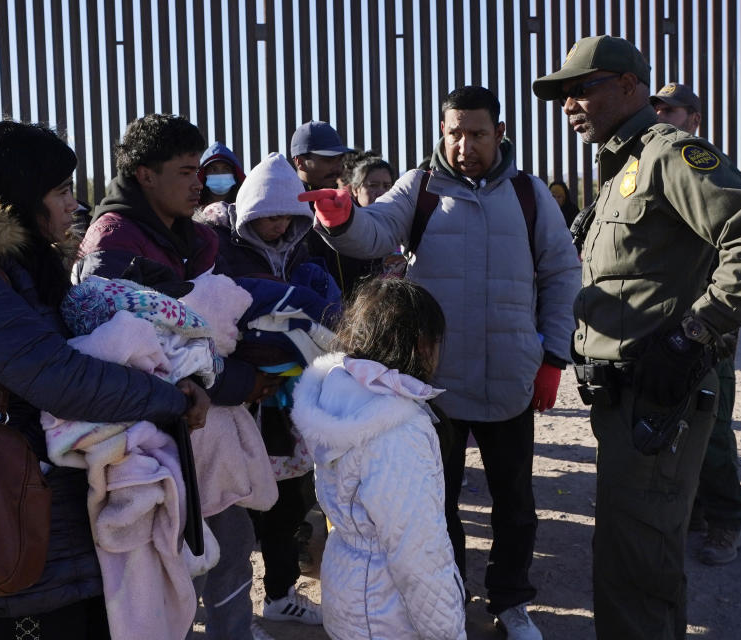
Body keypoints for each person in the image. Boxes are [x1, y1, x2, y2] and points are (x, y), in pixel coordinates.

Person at [0, 120, 209, 640]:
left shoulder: (18, 268)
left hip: (51, 521)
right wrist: (167, 397)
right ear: (20, 194)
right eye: (62, 191)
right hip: (13, 520)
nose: (75, 204)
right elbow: (58, 379)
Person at [532, 35, 741, 639]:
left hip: (657, 399)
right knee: (642, 559)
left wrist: (693, 336)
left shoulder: (669, 155)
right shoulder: (622, 165)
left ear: (629, 86)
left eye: (582, 88)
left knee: (634, 569)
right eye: (563, 94)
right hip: (625, 401)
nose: (569, 103)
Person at [302, 85, 581, 640]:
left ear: (499, 134)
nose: (463, 144)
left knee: (514, 503)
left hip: (509, 376)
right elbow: (376, 230)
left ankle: (511, 601)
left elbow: (560, 273)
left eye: (476, 133)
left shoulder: (528, 195)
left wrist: (552, 356)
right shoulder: (421, 187)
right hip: (434, 387)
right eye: (454, 132)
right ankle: (450, 590)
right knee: (437, 501)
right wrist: (343, 220)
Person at [74, 114, 270, 640]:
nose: (198, 183)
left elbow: (216, 321)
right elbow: (122, 344)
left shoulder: (196, 235)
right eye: (185, 172)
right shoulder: (111, 240)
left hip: (207, 429)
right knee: (166, 565)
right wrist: (223, 379)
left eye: (197, 170)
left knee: (229, 549)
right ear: (144, 174)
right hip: (152, 441)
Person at [291, 277, 466, 640]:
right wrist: (449, 632)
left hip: (350, 590)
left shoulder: (342, 395)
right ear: (420, 345)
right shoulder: (396, 430)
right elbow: (418, 554)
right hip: (390, 612)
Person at [214, 151, 335, 628]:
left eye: (287, 215)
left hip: (287, 403)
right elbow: (231, 308)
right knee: (236, 515)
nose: (278, 224)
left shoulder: (304, 251)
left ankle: (281, 594)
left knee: (287, 505)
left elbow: (322, 309)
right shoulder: (223, 250)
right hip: (242, 399)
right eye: (267, 216)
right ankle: (233, 614)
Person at [652, 82, 741, 565]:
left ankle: (725, 521)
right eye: (657, 109)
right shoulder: (648, 168)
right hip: (664, 330)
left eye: (672, 110)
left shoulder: (710, 170)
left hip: (707, 330)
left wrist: (718, 322)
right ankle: (692, 512)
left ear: (695, 119)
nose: (662, 116)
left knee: (713, 431)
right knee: (672, 427)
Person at [291, 120, 377, 298]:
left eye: (339, 159)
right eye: (328, 160)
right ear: (300, 162)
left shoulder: (346, 202)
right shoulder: (286, 208)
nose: (337, 167)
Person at [198, 142, 246, 207]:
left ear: (235, 174)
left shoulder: (245, 207)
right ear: (204, 175)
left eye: (226, 169)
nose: (220, 174)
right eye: (213, 170)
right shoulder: (192, 209)